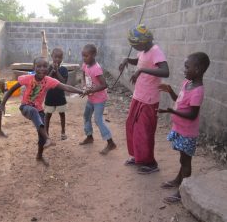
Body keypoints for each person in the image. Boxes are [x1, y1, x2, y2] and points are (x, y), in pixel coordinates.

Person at [0, 56, 85, 165]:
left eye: (44, 66)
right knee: (35, 114)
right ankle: (48, 138)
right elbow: (12, 89)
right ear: (34, 68)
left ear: (48, 68)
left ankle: (39, 156)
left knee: (41, 136)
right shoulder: (27, 78)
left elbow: (66, 87)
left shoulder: (49, 81)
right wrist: (2, 103)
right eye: (38, 66)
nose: (42, 69)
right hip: (26, 107)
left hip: (39, 110)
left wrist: (81, 91)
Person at [158, 52, 210, 204]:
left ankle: (183, 192)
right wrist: (170, 91)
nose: (184, 69)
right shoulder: (187, 83)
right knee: (182, 159)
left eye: (187, 67)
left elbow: (192, 115)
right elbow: (179, 100)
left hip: (187, 132)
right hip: (180, 129)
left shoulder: (198, 91)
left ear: (198, 69)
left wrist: (171, 111)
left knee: (186, 162)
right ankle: (177, 180)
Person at [119, 24, 169, 173]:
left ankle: (151, 163)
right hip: (139, 96)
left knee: (144, 130)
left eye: (135, 45)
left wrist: (140, 70)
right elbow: (139, 61)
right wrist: (126, 59)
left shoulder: (155, 51)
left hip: (149, 99)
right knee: (132, 126)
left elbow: (165, 71)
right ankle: (138, 155)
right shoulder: (144, 50)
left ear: (144, 41)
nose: (134, 47)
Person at [79, 44, 117, 155]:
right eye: (83, 56)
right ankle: (89, 136)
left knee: (98, 119)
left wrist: (90, 91)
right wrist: (84, 86)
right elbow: (83, 74)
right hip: (91, 98)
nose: (84, 58)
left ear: (94, 55)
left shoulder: (96, 68)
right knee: (86, 116)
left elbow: (104, 85)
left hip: (99, 99)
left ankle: (111, 143)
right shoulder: (85, 65)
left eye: (86, 56)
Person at [44, 48, 68, 140]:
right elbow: (45, 81)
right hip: (50, 96)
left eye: (60, 57)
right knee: (48, 115)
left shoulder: (64, 69)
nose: (57, 59)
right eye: (55, 57)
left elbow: (63, 82)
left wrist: (57, 71)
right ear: (52, 57)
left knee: (62, 114)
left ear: (62, 58)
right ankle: (46, 133)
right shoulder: (48, 68)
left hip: (60, 96)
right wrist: (52, 71)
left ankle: (63, 132)